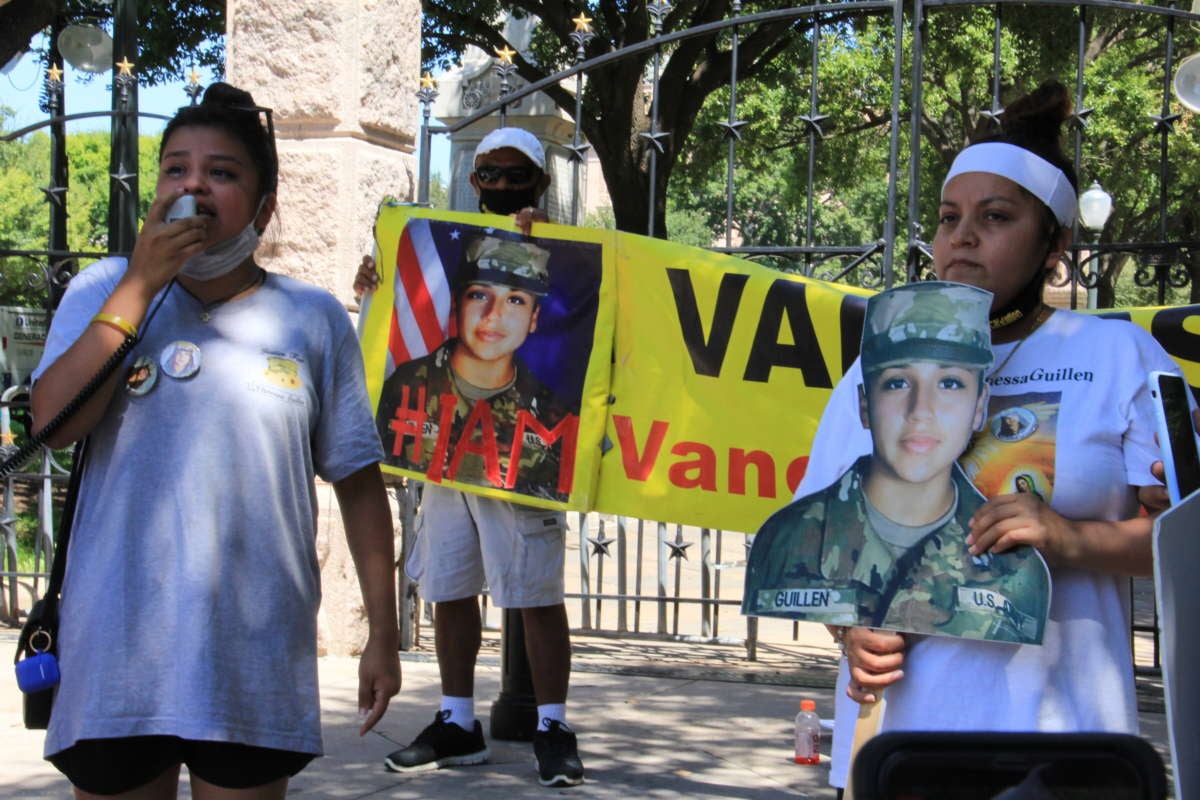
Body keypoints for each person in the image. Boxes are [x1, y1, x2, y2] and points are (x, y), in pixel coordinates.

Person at [792, 80, 1181, 793]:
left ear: (1053, 243)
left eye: (994, 217)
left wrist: (1070, 538)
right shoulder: (878, 365)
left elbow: (1186, 542)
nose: (961, 237)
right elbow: (822, 542)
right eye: (948, 217)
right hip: (902, 746)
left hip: (1068, 747)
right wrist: (850, 633)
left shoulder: (1120, 360)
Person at [29, 82, 401, 799]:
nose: (194, 184)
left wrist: (381, 635)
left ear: (263, 207)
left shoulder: (312, 318)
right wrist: (141, 283)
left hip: (252, 659)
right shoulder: (104, 290)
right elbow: (53, 424)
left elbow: (358, 482)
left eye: (222, 172)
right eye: (176, 168)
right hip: (118, 659)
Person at [361, 127, 585, 787]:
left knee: (535, 591)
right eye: (487, 172)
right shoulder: (438, 249)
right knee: (448, 583)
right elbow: (388, 315)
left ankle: (552, 725)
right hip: (442, 443)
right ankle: (457, 722)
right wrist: (375, 279)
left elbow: (586, 311)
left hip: (521, 451)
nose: (498, 185)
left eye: (513, 174)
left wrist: (549, 239)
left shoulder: (567, 250)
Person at [743, 282, 1049, 643]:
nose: (920, 411)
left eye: (950, 383)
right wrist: (848, 632)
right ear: (864, 403)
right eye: (896, 383)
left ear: (980, 406)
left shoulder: (1016, 562)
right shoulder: (790, 536)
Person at [375, 233, 577, 501]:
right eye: (479, 295)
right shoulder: (405, 386)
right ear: (457, 305)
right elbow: (370, 463)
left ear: (533, 318)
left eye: (516, 300)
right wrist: (376, 286)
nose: (494, 314)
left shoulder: (552, 415)